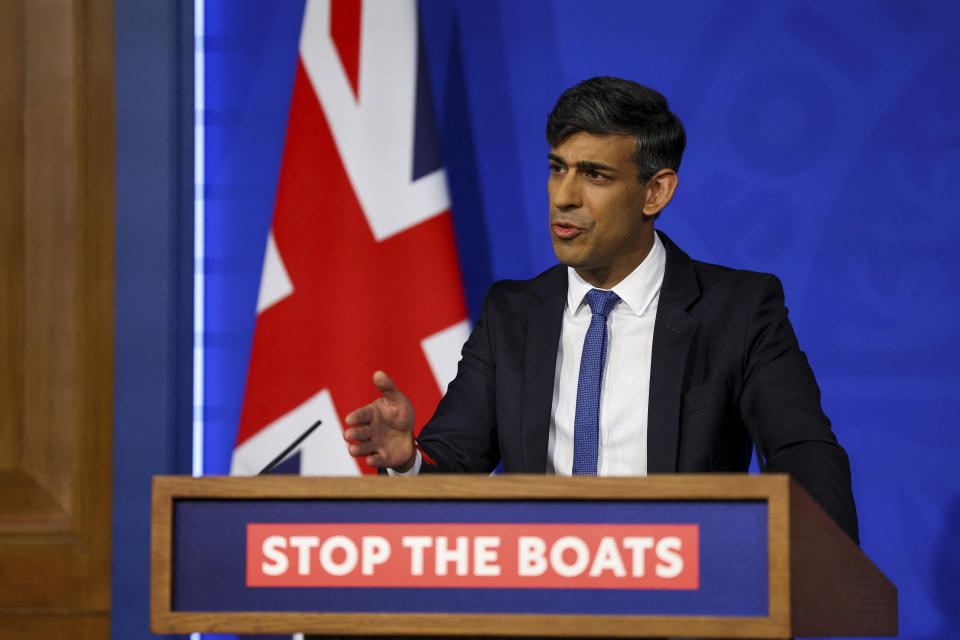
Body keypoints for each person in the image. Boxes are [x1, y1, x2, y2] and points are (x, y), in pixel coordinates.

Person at [342, 76, 859, 543]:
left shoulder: (737, 311)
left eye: (595, 175)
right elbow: (453, 467)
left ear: (654, 192)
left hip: (686, 601)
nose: (564, 197)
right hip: (540, 604)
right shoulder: (512, 314)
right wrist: (408, 460)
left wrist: (824, 568)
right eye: (557, 168)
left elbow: (802, 452)